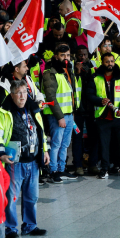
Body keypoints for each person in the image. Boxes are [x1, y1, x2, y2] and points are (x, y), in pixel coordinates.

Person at [0, 80, 49, 238]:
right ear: (11, 95)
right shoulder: (3, 113)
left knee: (32, 196)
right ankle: (10, 228)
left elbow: (40, 132)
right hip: (14, 162)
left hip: (33, 160)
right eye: (18, 93)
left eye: (24, 92)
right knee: (11, 197)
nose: (22, 96)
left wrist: (44, 150)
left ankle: (30, 225)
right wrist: (2, 153)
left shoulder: (34, 110)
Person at [41, 44, 77, 183]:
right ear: (56, 56)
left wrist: (72, 113)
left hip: (68, 114)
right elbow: (51, 97)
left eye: (67, 55)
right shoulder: (50, 73)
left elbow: (71, 94)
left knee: (65, 144)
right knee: (56, 144)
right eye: (62, 55)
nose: (65, 58)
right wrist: (60, 117)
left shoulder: (67, 71)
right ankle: (53, 170)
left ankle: (62, 169)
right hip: (58, 116)